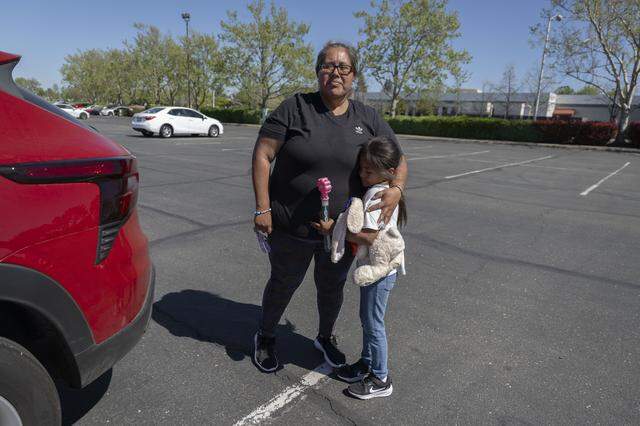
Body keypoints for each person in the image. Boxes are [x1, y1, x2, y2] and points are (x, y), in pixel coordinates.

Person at [251, 41, 408, 373]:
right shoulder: (295, 108)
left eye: (343, 67)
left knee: (331, 287)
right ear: (317, 71)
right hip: (291, 226)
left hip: (340, 232)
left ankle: (325, 336)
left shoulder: (367, 117)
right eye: (328, 66)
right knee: (283, 282)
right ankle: (265, 336)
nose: (335, 73)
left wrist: (396, 189)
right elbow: (263, 155)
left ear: (353, 75)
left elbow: (399, 158)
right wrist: (262, 209)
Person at [330, 136, 407, 399]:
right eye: (361, 169)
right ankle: (367, 362)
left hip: (379, 272)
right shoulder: (383, 190)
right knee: (367, 320)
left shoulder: (377, 195)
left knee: (373, 323)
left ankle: (381, 377)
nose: (362, 175)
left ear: (390, 172)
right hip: (375, 268)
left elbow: (368, 237)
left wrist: (334, 229)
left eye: (369, 171)